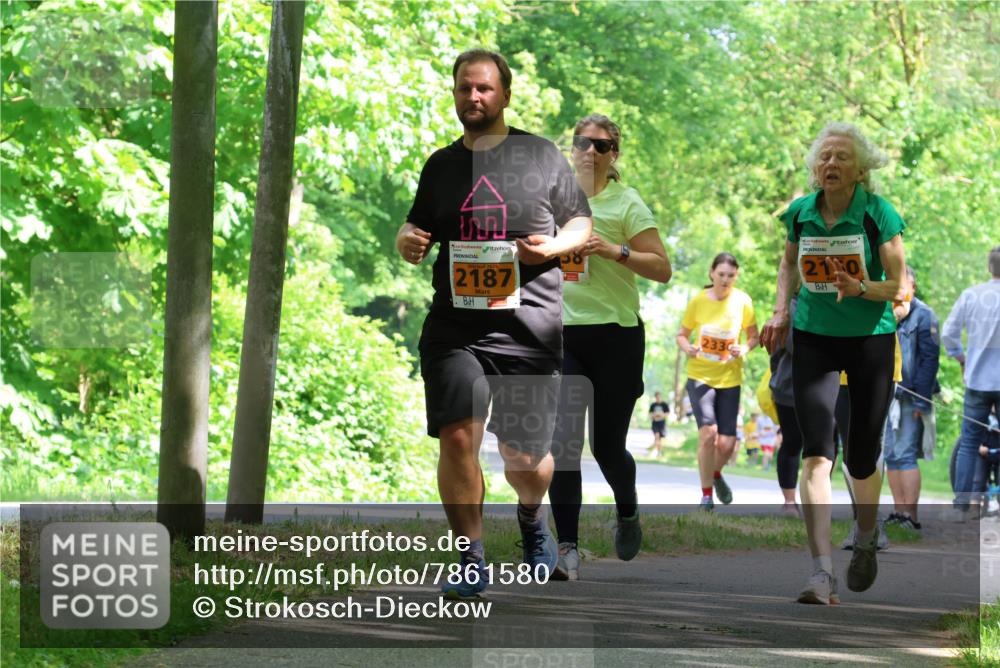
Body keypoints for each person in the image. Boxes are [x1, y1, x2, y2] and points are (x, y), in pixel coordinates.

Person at [396, 49, 593, 598]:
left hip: (528, 325)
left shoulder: (540, 155)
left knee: (525, 459)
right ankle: (470, 557)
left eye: (484, 88)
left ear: (505, 94)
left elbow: (580, 222)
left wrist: (552, 246)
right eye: (464, 88)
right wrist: (406, 240)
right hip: (456, 326)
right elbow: (415, 227)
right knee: (458, 436)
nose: (473, 97)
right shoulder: (441, 165)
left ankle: (532, 517)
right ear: (455, 94)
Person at [761, 121, 906, 605]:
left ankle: (866, 538)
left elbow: (900, 289)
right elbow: (787, 264)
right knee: (817, 452)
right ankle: (820, 573)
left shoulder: (879, 215)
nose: (831, 164)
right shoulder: (801, 214)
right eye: (824, 156)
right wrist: (783, 310)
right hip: (815, 338)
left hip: (870, 338)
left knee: (862, 454)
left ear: (860, 169)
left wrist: (861, 287)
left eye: (842, 157)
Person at [548, 113, 671, 581]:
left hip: (617, 335)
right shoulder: (554, 199)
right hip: (563, 333)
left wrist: (614, 251)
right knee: (563, 443)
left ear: (613, 154)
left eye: (602, 145)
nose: (591, 151)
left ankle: (627, 507)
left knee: (606, 447)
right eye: (584, 143)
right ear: (572, 147)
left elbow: (662, 268)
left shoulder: (627, 203)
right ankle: (567, 550)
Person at [677, 253, 759, 510]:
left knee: (727, 443)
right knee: (708, 435)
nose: (725, 279)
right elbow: (681, 335)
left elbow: (754, 337)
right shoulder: (698, 301)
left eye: (731, 275)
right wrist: (688, 348)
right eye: (721, 274)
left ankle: (715, 474)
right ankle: (706, 496)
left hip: (729, 378)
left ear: (737, 276)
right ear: (711, 273)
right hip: (700, 376)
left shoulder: (743, 301)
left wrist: (744, 349)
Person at [943, 246, 1000, 518]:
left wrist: (961, 358)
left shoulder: (972, 295)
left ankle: (961, 505)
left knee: (968, 443)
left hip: (977, 380)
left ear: (990, 267)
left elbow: (949, 333)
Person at [882, 266, 940, 530]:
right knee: (890, 454)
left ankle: (910, 516)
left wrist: (921, 400)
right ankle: (897, 512)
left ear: (913, 287)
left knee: (906, 454)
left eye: (902, 286)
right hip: (886, 395)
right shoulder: (885, 313)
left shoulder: (925, 315)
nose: (897, 291)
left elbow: (930, 362)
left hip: (911, 396)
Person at [648, 391, 670, 457]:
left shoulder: (664, 404)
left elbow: (667, 413)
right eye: (657, 397)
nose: (658, 398)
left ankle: (658, 451)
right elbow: (650, 414)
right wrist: (655, 415)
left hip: (662, 423)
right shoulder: (653, 405)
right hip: (655, 423)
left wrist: (661, 414)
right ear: (655, 397)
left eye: (659, 397)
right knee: (656, 436)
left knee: (659, 439)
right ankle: (657, 451)